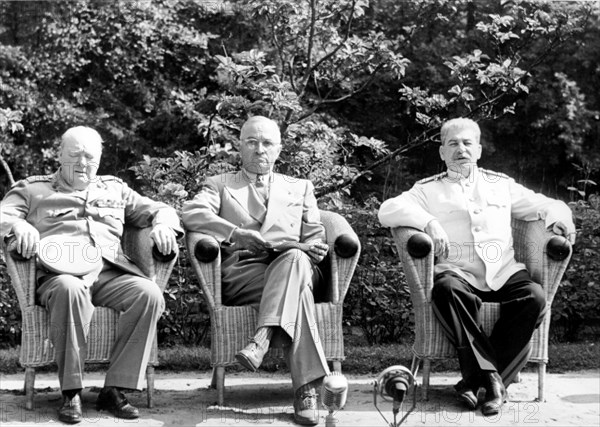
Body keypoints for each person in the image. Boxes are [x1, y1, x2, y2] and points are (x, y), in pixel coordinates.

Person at [378, 118, 576, 416]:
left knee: (534, 297)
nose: (461, 149)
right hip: (459, 274)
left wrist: (562, 218)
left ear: (479, 150)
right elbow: (387, 209)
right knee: (444, 288)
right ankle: (495, 384)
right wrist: (428, 221)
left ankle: (474, 381)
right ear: (442, 152)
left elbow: (547, 204)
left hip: (503, 273)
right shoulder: (428, 190)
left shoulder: (501, 185)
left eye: (467, 143)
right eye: (453, 143)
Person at [0, 126, 182, 424]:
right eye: (75, 155)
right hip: (60, 275)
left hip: (110, 273)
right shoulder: (33, 189)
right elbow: (3, 214)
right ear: (59, 155)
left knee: (149, 294)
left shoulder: (115, 189)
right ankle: (71, 392)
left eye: (90, 156)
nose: (83, 163)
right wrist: (19, 226)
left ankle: (114, 389)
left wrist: (163, 225)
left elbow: (160, 209)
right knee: (70, 290)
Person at [182, 116, 330, 426]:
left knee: (294, 260)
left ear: (279, 149)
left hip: (297, 265)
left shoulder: (300, 187)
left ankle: (261, 340)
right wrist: (234, 233)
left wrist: (316, 247)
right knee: (297, 292)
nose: (259, 149)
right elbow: (191, 212)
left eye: (267, 143)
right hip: (246, 274)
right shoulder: (220, 184)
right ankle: (307, 391)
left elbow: (314, 233)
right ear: (239, 146)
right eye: (251, 142)